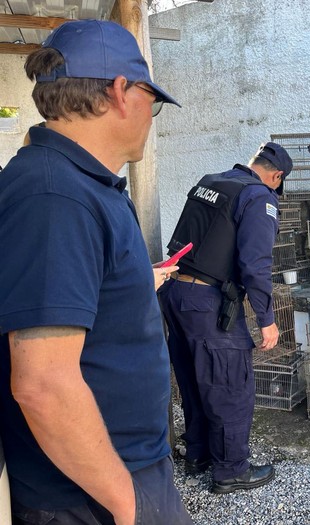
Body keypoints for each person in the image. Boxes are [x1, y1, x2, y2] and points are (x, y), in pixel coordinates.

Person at [0, 19, 190, 525]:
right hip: (89, 495)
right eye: (153, 97)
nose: (153, 114)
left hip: (112, 476)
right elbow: (42, 383)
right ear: (120, 91)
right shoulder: (54, 195)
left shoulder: (80, 185)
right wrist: (127, 503)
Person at [159, 141, 292, 494]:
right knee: (230, 384)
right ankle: (232, 470)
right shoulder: (259, 197)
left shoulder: (212, 181)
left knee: (194, 380)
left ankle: (198, 455)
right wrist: (267, 318)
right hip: (207, 302)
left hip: (175, 293)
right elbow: (256, 264)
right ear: (276, 176)